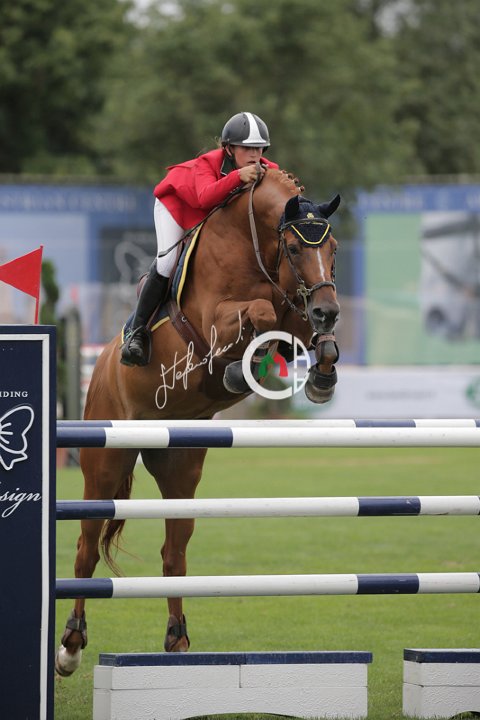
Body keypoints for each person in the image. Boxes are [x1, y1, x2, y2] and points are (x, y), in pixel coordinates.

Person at [120, 111, 279, 367]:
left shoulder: (268, 170)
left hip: (211, 217)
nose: (254, 155)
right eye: (246, 148)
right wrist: (237, 177)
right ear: (229, 148)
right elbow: (204, 198)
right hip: (177, 206)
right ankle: (136, 332)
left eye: (259, 148)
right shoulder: (208, 163)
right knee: (167, 262)